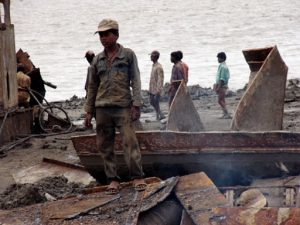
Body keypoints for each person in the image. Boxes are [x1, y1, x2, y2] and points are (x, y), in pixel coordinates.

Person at [84, 19, 146, 194]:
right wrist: (88, 111)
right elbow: (92, 87)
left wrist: (137, 104)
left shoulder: (127, 55)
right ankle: (112, 179)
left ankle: (137, 176)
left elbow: (136, 79)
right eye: (101, 35)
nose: (103, 38)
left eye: (106, 34)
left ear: (116, 35)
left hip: (123, 107)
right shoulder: (97, 60)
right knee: (105, 145)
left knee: (130, 142)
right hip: (102, 108)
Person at [214, 52, 231, 119]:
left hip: (222, 86)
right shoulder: (221, 66)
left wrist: (218, 87)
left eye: (219, 58)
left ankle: (226, 114)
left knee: (220, 100)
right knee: (222, 100)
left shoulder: (223, 67)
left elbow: (222, 79)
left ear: (223, 58)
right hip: (221, 85)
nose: (218, 59)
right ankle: (225, 114)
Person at [149, 50, 165, 120]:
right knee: (152, 102)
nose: (150, 57)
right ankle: (159, 114)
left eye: (151, 56)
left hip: (156, 89)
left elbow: (160, 80)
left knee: (155, 102)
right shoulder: (154, 66)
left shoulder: (159, 67)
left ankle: (160, 115)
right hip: (152, 88)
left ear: (155, 57)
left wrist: (158, 91)